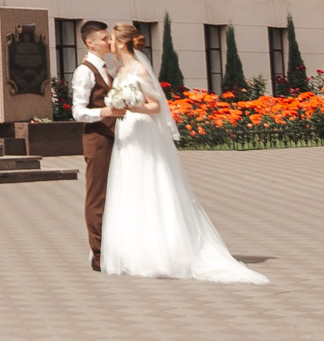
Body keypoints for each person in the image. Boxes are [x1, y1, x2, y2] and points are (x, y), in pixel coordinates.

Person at [97, 24, 268, 283]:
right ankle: (133, 252)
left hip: (142, 130)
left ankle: (163, 252)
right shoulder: (119, 71)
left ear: (122, 43)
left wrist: (132, 107)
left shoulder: (140, 70)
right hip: (126, 134)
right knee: (129, 187)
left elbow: (155, 106)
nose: (108, 42)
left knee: (150, 185)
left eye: (111, 39)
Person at [70, 22, 116, 271]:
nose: (109, 42)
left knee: (111, 194)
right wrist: (106, 111)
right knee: (97, 196)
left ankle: (111, 246)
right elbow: (77, 112)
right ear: (90, 42)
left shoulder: (107, 69)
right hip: (97, 140)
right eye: (104, 38)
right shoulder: (84, 71)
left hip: (111, 137)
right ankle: (97, 253)